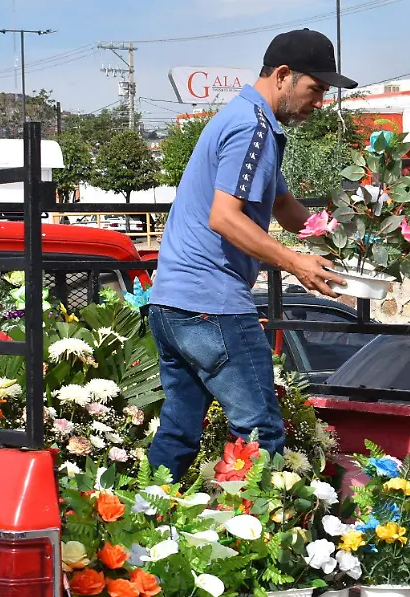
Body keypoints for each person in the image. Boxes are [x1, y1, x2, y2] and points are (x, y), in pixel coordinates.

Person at [147, 29, 356, 481]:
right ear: (282, 75)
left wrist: (345, 242)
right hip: (213, 306)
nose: (321, 102)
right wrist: (295, 261)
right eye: (315, 88)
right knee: (261, 433)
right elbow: (224, 217)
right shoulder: (253, 127)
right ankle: (261, 525)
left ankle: (143, 515)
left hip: (171, 304)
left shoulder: (243, 118)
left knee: (179, 433)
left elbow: (282, 205)